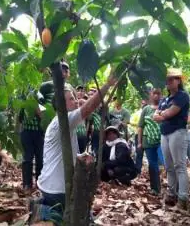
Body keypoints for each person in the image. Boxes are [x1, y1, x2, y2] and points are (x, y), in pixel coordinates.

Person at [29, 73, 117, 224]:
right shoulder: (63, 121)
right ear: (61, 105)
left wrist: (79, 157)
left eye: (75, 98)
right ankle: (49, 212)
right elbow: (88, 108)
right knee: (83, 216)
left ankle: (46, 209)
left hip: (47, 186)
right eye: (71, 99)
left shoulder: (60, 123)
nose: (76, 102)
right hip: (57, 192)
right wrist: (107, 85)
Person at [153, 69, 190, 210]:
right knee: (168, 166)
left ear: (178, 81)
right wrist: (163, 114)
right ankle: (171, 194)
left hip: (178, 133)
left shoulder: (182, 96)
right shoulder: (165, 99)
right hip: (165, 134)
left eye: (172, 79)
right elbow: (155, 116)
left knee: (179, 166)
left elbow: (170, 113)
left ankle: (183, 198)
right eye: (167, 80)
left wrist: (162, 114)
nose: (168, 82)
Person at [138, 88, 162, 195]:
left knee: (168, 164)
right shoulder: (146, 109)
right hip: (148, 141)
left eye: (158, 93)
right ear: (150, 95)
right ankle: (155, 188)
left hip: (163, 141)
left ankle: (174, 189)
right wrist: (139, 142)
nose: (156, 96)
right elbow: (140, 126)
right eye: (154, 93)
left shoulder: (165, 107)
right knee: (153, 164)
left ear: (161, 95)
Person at [19, 106, 44, 192]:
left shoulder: (44, 96)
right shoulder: (24, 95)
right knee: (27, 158)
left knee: (40, 158)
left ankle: (39, 184)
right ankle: (27, 184)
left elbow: (44, 116)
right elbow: (19, 115)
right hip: (26, 131)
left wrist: (39, 111)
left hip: (40, 132)